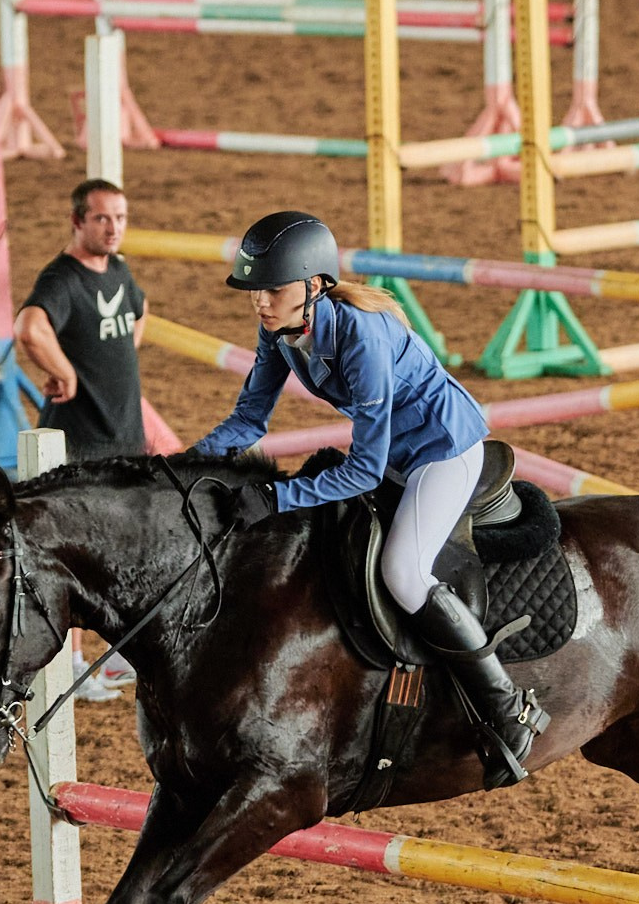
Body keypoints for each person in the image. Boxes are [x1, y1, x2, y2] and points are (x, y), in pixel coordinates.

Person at [188, 211, 545, 788]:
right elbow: (249, 418)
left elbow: (363, 469)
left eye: (272, 290)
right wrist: (186, 466)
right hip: (396, 454)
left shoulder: (363, 335)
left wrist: (277, 497)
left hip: (441, 451)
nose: (260, 303)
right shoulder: (281, 330)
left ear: (313, 286)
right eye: (256, 292)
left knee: (403, 571)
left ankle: (507, 707)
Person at [16, 178, 150, 700]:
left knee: (128, 550)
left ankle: (120, 657)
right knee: (72, 554)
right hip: (79, 441)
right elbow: (29, 327)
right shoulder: (63, 278)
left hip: (123, 436)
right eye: (101, 218)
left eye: (119, 217)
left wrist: (118, 359)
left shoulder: (117, 270)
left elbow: (140, 310)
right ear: (77, 222)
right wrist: (65, 373)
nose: (113, 227)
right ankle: (71, 666)